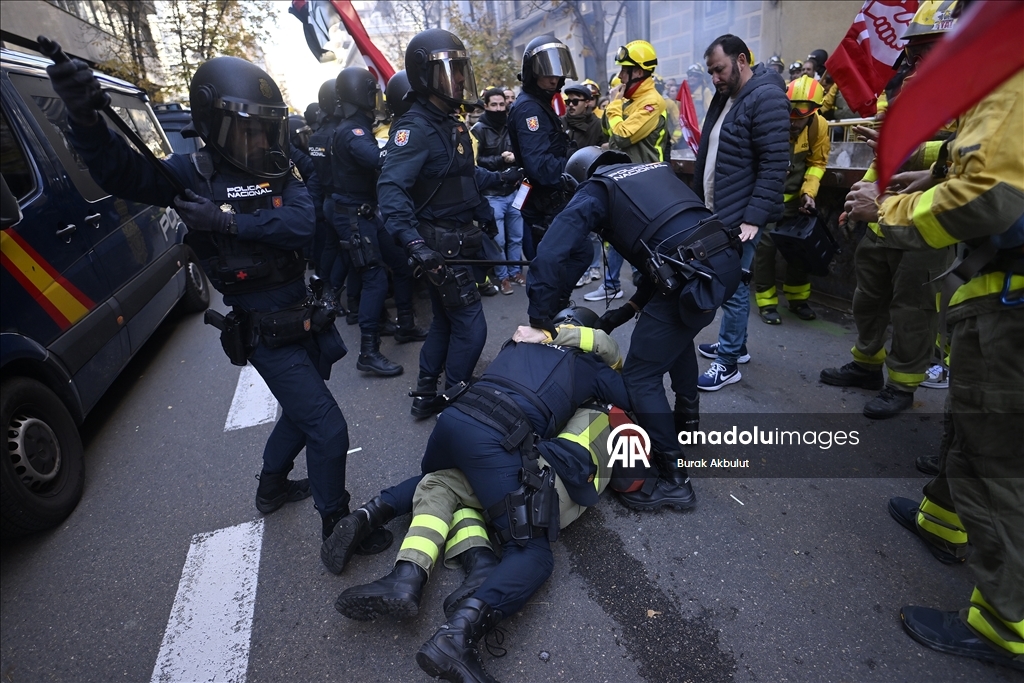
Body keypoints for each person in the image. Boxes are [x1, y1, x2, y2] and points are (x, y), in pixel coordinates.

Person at [45, 55, 393, 558]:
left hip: (306, 317)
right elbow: (119, 172)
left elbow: (302, 225)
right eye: (248, 130)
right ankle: (336, 526)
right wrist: (84, 118)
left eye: (266, 129)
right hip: (266, 331)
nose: (260, 141)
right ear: (215, 125)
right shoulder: (190, 174)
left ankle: (271, 488)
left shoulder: (279, 167)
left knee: (301, 415)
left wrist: (225, 222)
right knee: (327, 426)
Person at [324, 306, 633, 682]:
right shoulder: (593, 375)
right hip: (528, 465)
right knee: (534, 555)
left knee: (440, 482)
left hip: (455, 421)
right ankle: (458, 634)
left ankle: (389, 544)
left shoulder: (518, 342)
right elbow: (625, 384)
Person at [843, 37, 1023, 672]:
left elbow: (991, 197)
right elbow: (983, 158)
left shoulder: (1010, 74)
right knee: (971, 432)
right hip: (996, 296)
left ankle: (1006, 623)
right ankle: (943, 522)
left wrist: (890, 206)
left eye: (932, 45)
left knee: (994, 456)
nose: (919, 60)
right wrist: (942, 161)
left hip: (1010, 303)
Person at [527, 146, 743, 512]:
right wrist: (626, 311)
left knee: (640, 376)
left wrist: (540, 318)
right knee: (676, 335)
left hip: (691, 277)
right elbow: (666, 254)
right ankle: (686, 418)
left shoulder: (596, 190)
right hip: (721, 263)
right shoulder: (653, 173)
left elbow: (549, 253)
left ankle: (675, 479)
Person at [820, 1, 959, 420]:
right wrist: (863, 190)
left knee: (913, 306)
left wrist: (913, 150)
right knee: (869, 296)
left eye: (924, 48)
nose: (914, 59)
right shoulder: (901, 87)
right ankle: (866, 366)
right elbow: (886, 150)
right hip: (881, 212)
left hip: (926, 215)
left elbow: (964, 156)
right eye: (912, 50)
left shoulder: (972, 88)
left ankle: (903, 384)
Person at [377, 29, 509, 419]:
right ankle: (458, 401)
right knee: (471, 326)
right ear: (423, 76)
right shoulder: (414, 128)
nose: (458, 79)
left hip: (457, 239)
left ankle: (425, 395)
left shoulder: (448, 123)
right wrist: (413, 244)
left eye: (459, 70)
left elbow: (460, 174)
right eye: (447, 71)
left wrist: (501, 178)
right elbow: (390, 189)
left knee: (445, 322)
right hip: (440, 245)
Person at [693, 35, 789, 392]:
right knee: (731, 285)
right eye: (710, 72)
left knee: (731, 289)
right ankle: (737, 344)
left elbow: (775, 162)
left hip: (740, 217)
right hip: (721, 211)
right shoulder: (726, 96)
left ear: (742, 60)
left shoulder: (766, 97)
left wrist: (753, 217)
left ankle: (728, 362)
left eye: (719, 69)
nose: (714, 78)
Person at [331, 67, 427, 378]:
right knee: (375, 278)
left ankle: (404, 325)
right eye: (373, 93)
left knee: (400, 263)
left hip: (367, 212)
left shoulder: (354, 128)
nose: (377, 99)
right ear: (362, 95)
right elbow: (379, 160)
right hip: (355, 216)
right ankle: (368, 353)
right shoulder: (353, 132)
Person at [752, 75, 830, 324]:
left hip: (797, 202)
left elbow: (817, 163)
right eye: (790, 116)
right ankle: (766, 302)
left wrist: (809, 193)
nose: (793, 124)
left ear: (813, 112)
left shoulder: (820, 127)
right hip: (769, 201)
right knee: (765, 251)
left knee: (800, 251)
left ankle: (798, 299)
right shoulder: (772, 122)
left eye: (799, 119)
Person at [507, 35, 578, 261]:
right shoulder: (530, 109)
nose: (554, 77)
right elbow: (540, 165)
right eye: (547, 70)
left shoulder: (538, 103)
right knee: (568, 260)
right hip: (545, 203)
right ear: (532, 72)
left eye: (557, 70)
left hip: (548, 200)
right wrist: (573, 165)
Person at [471, 87, 526, 294]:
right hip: (493, 195)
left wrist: (515, 158)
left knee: (516, 238)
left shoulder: (511, 124)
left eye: (501, 104)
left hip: (513, 191)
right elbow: (476, 162)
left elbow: (522, 150)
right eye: (493, 104)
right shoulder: (478, 129)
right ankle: (502, 277)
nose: (498, 108)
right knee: (499, 240)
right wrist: (500, 159)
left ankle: (515, 271)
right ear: (485, 106)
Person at [562, 83, 606, 150]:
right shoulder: (561, 123)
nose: (571, 105)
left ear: (586, 103)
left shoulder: (597, 125)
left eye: (575, 101)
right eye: (568, 101)